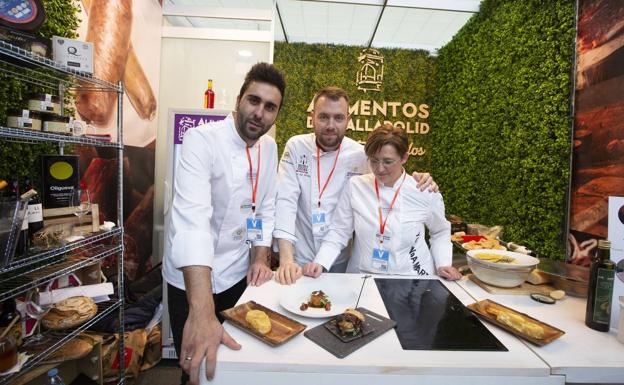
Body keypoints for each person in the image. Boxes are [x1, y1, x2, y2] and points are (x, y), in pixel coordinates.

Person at [162, 63, 284, 385]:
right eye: (254, 101)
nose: (259, 113)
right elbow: (193, 222)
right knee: (195, 365)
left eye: (270, 107)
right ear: (239, 100)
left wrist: (259, 257)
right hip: (190, 279)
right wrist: (201, 311)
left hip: (236, 273)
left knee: (233, 363)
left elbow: (266, 207)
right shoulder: (200, 140)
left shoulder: (269, 149)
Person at [273, 87, 438, 284]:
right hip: (298, 254)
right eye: (324, 117)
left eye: (339, 118)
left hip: (342, 258)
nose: (331, 125)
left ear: (348, 120)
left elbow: (388, 179)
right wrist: (286, 258)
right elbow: (285, 201)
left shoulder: (361, 155)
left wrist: (419, 180)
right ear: (312, 117)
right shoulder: (296, 146)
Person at [310, 123, 461, 280]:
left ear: (404, 158)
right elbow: (339, 231)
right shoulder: (356, 186)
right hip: (363, 277)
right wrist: (320, 262)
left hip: (411, 278)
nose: (379, 169)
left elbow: (440, 230)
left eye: (388, 161)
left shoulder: (423, 190)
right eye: (374, 161)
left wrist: (443, 263)